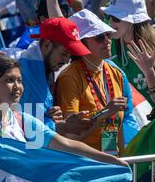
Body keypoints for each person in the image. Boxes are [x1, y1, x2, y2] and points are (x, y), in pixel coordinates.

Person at [0, 39, 129, 167]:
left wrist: (111, 160)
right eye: (9, 80)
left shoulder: (24, 121)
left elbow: (66, 144)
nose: (17, 87)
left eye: (20, 81)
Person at [55, 9, 128, 155]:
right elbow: (70, 137)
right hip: (85, 165)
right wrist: (104, 114)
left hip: (110, 158)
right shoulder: (70, 78)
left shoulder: (115, 73)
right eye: (99, 37)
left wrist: (123, 160)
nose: (107, 41)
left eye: (108, 34)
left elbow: (117, 125)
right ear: (81, 44)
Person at [101, 0, 155, 106]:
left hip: (149, 120)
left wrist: (149, 72)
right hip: (122, 119)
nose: (110, 23)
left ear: (133, 20)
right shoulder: (109, 39)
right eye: (108, 17)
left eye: (115, 18)